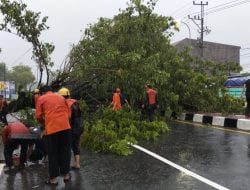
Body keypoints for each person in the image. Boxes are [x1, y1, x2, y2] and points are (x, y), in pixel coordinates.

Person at [35, 85, 71, 185]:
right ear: (52, 90)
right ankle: (66, 175)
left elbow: (38, 116)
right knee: (65, 151)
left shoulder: (41, 98)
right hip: (65, 127)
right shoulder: (61, 97)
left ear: (42, 92)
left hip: (52, 128)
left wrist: (44, 123)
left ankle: (53, 179)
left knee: (53, 152)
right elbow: (69, 114)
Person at [58, 87, 83, 169]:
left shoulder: (66, 104)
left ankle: (66, 165)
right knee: (76, 145)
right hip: (79, 127)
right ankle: (77, 164)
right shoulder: (75, 102)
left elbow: (68, 118)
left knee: (67, 146)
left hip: (71, 128)